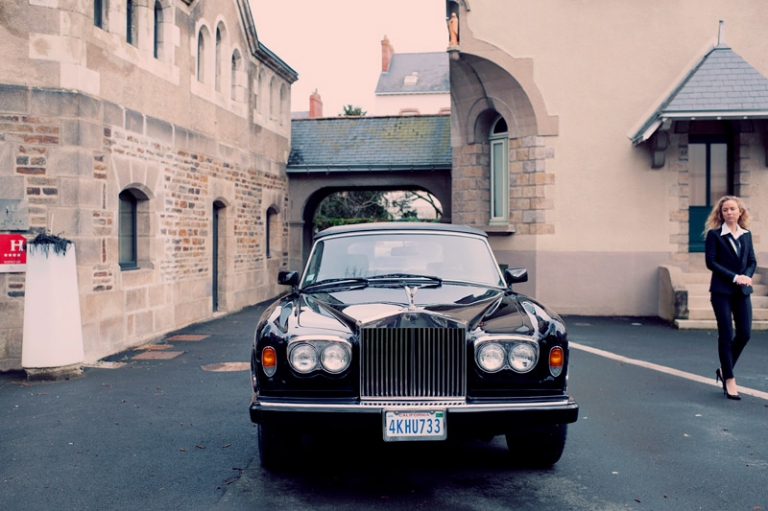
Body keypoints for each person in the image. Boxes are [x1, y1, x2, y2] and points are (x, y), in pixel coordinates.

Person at [704, 196, 757, 400]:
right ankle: (730, 379)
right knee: (726, 335)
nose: (728, 212)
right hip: (721, 292)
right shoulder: (714, 235)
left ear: (740, 211)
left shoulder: (746, 235)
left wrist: (747, 277)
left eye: (732, 209)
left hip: (741, 292)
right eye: (725, 210)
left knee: (744, 334)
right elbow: (711, 263)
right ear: (720, 213)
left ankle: (724, 369)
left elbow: (751, 260)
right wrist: (735, 277)